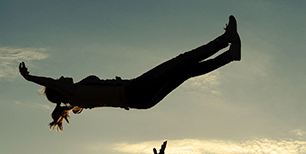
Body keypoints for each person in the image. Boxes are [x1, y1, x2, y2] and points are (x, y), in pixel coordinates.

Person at [19, 16, 241, 130]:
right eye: (58, 81)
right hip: (136, 90)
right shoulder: (73, 93)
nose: (61, 78)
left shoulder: (78, 98)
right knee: (181, 62)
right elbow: (51, 82)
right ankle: (225, 40)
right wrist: (30, 78)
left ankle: (230, 55)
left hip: (141, 100)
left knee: (186, 71)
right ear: (60, 90)